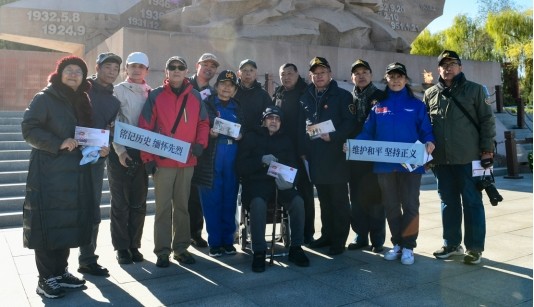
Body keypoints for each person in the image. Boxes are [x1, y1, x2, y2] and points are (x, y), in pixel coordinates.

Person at [22, 56, 94, 298]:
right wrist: (58, 142)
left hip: (74, 173)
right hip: (48, 173)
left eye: (78, 71)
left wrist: (98, 147)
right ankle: (46, 279)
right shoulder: (45, 97)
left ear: (84, 77)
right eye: (69, 70)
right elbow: (29, 129)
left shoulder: (82, 100)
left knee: (65, 223)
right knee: (46, 224)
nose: (73, 74)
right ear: (60, 73)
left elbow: (85, 135)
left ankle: (60, 272)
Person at [356, 62, 435, 265]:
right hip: (384, 165)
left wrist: (430, 141)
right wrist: (354, 144)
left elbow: (426, 129)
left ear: (406, 80)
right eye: (392, 77)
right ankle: (397, 243)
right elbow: (367, 132)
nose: (396, 80)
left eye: (399, 76)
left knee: (410, 205)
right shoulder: (378, 106)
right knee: (391, 205)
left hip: (411, 164)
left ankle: (409, 246)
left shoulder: (417, 105)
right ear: (386, 80)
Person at [423, 50, 496, 265]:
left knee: (472, 202)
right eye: (444, 65)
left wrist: (487, 150)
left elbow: (487, 121)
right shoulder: (430, 94)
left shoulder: (475, 90)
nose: (448, 68)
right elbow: (425, 126)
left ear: (460, 67)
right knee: (448, 202)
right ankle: (452, 244)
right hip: (441, 160)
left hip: (470, 157)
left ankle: (474, 248)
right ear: (438, 69)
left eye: (453, 64)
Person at [138, 56, 210, 268]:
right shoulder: (156, 96)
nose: (176, 70)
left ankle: (181, 248)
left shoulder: (196, 96)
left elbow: (204, 123)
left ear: (186, 71)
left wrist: (201, 143)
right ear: (166, 72)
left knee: (182, 207)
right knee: (162, 209)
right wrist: (147, 157)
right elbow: (145, 128)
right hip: (163, 162)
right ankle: (162, 251)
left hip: (187, 161)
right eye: (172, 67)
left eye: (180, 67)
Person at [237, 105, 310, 272]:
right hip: (257, 183)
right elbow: (241, 166)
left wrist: (292, 180)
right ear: (263, 120)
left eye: (277, 119)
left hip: (281, 183)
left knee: (298, 201)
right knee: (258, 204)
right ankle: (259, 251)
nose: (274, 121)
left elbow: (294, 165)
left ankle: (296, 247)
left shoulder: (286, 139)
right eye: (270, 118)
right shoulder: (251, 137)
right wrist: (261, 160)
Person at [299, 57, 356, 255]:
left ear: (330, 74)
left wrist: (333, 136)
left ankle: (339, 240)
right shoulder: (306, 96)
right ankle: (327, 234)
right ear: (310, 76)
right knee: (323, 200)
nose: (319, 76)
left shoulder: (342, 96)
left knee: (339, 201)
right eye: (315, 73)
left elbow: (350, 124)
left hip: (336, 157)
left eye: (322, 72)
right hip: (316, 157)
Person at [76, 52, 121, 277]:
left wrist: (107, 146)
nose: (112, 71)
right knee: (65, 209)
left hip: (94, 161)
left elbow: (110, 131)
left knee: (92, 209)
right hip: (69, 156)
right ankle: (57, 266)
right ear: (97, 67)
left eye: (116, 68)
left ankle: (87, 259)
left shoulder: (114, 101)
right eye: (108, 67)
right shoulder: (81, 88)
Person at [108, 52, 152, 265]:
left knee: (138, 202)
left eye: (141, 67)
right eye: (132, 66)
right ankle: (121, 247)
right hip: (121, 153)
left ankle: (135, 245)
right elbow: (113, 122)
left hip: (142, 153)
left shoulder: (150, 93)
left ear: (146, 71)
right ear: (126, 68)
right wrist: (120, 151)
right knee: (120, 202)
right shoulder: (117, 91)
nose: (136, 70)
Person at [196, 70, 242, 257]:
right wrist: (209, 133)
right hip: (212, 156)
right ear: (216, 86)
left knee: (229, 200)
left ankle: (228, 241)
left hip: (232, 155)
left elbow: (246, 127)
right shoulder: (206, 104)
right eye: (222, 84)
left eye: (230, 86)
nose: (226, 88)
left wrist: (243, 135)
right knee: (211, 200)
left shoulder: (238, 107)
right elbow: (199, 126)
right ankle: (215, 242)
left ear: (234, 90)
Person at [272, 63, 315, 244]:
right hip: (283, 151)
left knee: (305, 192)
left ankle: (307, 233)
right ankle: (286, 231)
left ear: (298, 74)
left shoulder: (307, 92)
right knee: (284, 188)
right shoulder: (279, 92)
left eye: (290, 73)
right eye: (283, 74)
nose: (287, 77)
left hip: (302, 151)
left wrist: (304, 149)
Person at [346, 59, 386, 253]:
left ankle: (377, 239)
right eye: (357, 73)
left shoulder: (381, 96)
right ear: (352, 77)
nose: (361, 76)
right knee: (356, 198)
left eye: (364, 72)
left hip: (375, 157)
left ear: (371, 75)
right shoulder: (347, 98)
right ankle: (360, 235)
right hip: (354, 158)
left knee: (376, 199)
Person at [188, 52, 220, 248]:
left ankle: (195, 233)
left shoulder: (213, 94)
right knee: (180, 195)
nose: (208, 68)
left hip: (202, 150)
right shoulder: (183, 85)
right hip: (180, 148)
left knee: (195, 194)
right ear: (197, 65)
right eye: (205, 64)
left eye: (212, 66)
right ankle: (179, 235)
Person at [234, 59, 272, 134]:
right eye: (244, 70)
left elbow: (268, 117)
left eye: (251, 70)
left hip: (255, 138)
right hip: (234, 135)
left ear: (256, 74)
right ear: (238, 73)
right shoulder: (232, 91)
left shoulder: (263, 95)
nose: (248, 73)